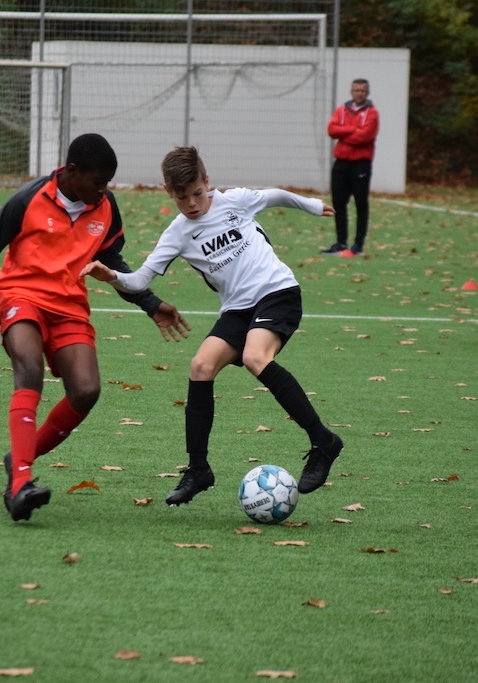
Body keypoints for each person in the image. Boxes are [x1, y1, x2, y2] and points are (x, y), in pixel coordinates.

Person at [80, 146, 345, 507]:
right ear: (168, 192)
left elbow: (276, 196)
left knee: (255, 357)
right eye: (182, 197)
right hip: (237, 309)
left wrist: (312, 205)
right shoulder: (177, 233)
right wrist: (111, 276)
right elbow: (139, 280)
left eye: (197, 193)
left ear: (207, 181)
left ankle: (323, 440)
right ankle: (198, 469)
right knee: (200, 366)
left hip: (277, 292)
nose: (192, 203)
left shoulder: (234, 201)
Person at [0, 133, 190, 522]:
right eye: (97, 182)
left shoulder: (105, 207)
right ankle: (20, 484)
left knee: (86, 391)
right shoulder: (27, 199)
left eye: (107, 184)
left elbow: (112, 263)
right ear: (71, 171)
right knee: (29, 369)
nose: (103, 191)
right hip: (21, 295)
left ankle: (19, 458)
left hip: (69, 307)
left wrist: (151, 303)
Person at [321, 78, 379, 256]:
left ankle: (358, 245)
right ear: (351, 91)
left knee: (361, 203)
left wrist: (344, 132)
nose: (359, 93)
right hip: (341, 163)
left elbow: (364, 136)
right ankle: (341, 242)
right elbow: (332, 130)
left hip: (360, 164)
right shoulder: (342, 110)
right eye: (356, 90)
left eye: (363, 90)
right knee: (338, 203)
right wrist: (353, 129)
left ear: (367, 93)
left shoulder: (372, 113)